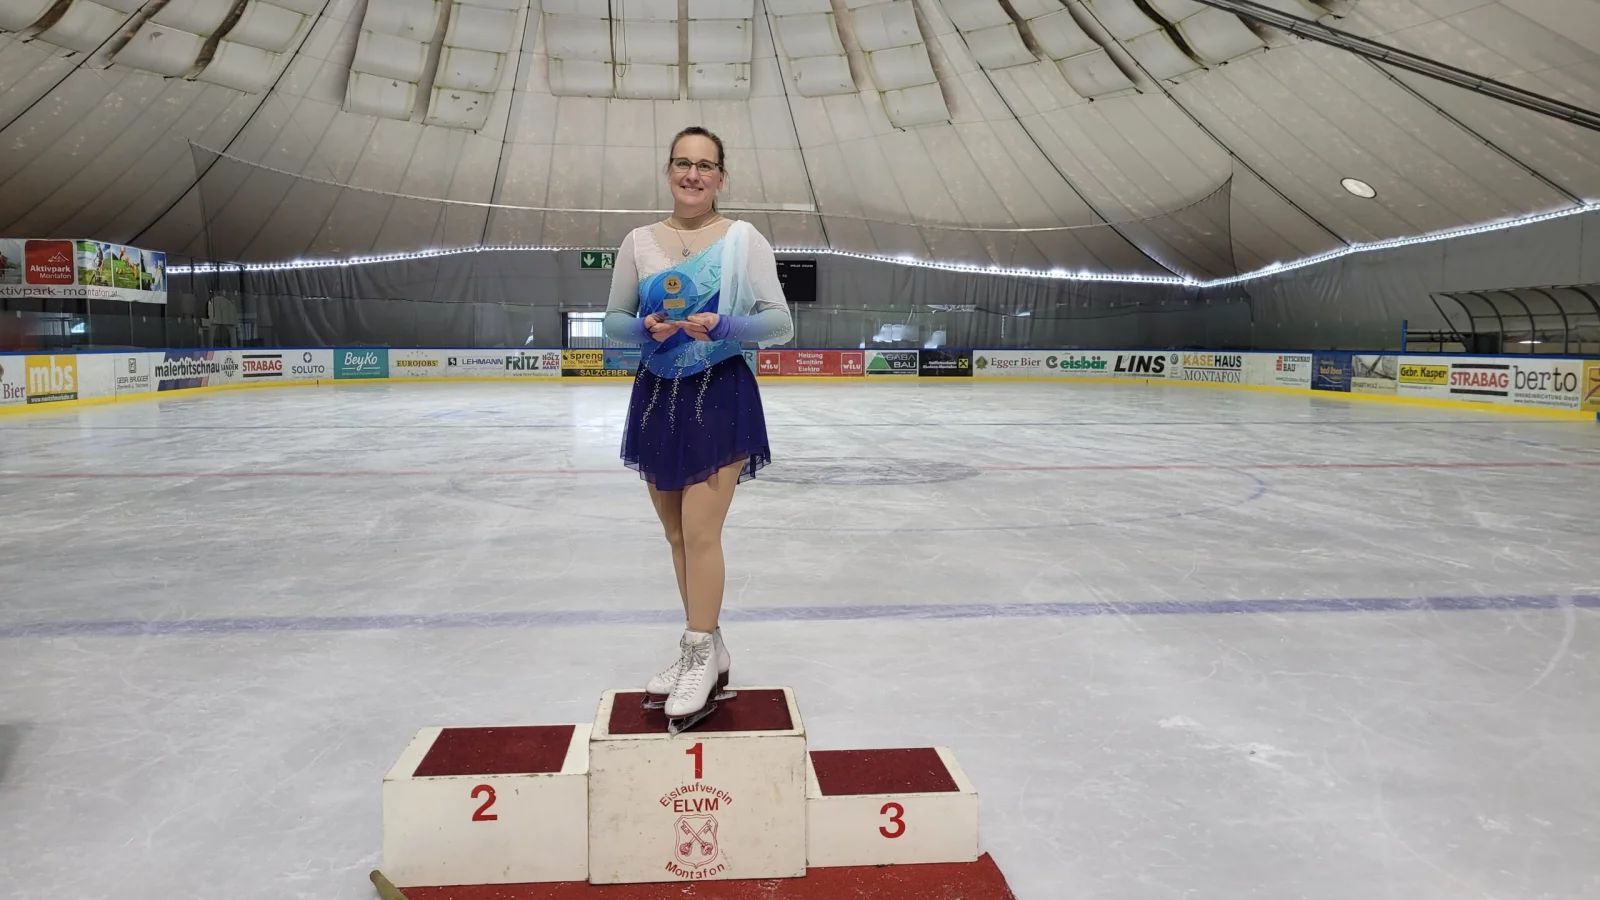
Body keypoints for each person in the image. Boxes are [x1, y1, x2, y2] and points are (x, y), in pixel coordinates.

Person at [602, 126, 794, 734]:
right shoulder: (638, 241)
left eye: (705, 165)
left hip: (719, 392)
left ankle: (698, 652)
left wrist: (725, 325)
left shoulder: (743, 239)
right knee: (676, 536)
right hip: (657, 395)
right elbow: (613, 321)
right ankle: (708, 649)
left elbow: (780, 324)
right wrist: (645, 327)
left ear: (720, 177)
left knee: (701, 532)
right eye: (683, 163)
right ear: (669, 171)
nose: (693, 174)